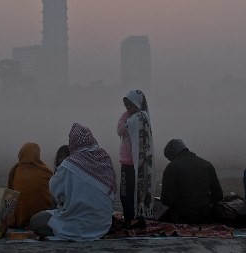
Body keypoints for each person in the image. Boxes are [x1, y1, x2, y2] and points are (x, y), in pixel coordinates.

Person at [29, 123, 116, 240]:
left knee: (35, 221)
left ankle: (63, 231)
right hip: (103, 225)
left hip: (75, 224)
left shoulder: (70, 164)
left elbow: (55, 190)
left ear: (73, 142)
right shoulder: (105, 159)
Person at [159, 139, 223, 224]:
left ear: (172, 153)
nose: (170, 160)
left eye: (169, 158)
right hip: (206, 216)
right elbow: (218, 195)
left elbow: (166, 199)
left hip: (181, 219)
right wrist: (203, 203)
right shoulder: (207, 165)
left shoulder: (171, 167)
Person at [116, 89, 154, 224]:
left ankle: (140, 217)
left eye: (131, 105)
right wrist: (128, 121)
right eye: (126, 105)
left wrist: (130, 123)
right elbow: (120, 130)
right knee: (126, 192)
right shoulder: (126, 116)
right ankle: (129, 218)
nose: (128, 108)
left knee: (141, 192)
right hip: (127, 161)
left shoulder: (143, 117)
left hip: (142, 163)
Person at [7, 142, 53, 228]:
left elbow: (10, 192)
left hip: (19, 221)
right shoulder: (46, 171)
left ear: (21, 154)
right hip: (42, 219)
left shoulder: (15, 170)